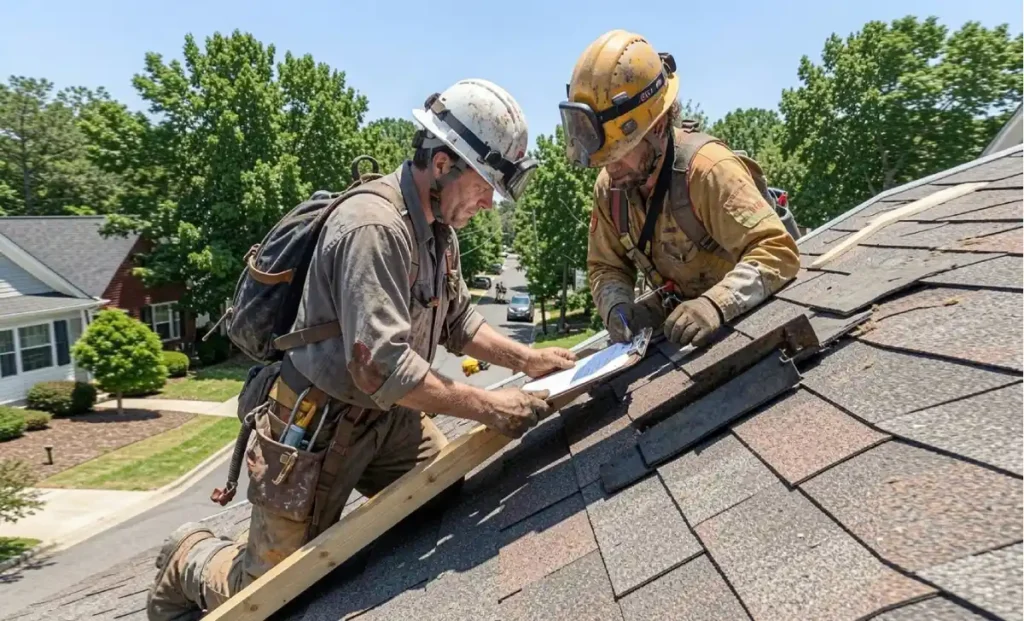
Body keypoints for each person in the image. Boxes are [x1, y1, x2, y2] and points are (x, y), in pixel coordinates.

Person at [147, 79, 575, 620]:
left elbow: (460, 322)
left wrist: (527, 359)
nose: (489, 202)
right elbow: (383, 368)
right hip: (314, 427)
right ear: (442, 164)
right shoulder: (373, 227)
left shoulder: (439, 231)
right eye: (485, 183)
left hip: (388, 420)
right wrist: (492, 405)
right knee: (268, 593)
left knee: (436, 492)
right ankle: (188, 555)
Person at [559, 30, 800, 347]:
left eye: (618, 154)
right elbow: (606, 265)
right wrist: (617, 309)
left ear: (657, 124)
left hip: (750, 319)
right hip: (681, 326)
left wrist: (714, 305)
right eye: (604, 158)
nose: (610, 169)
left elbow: (776, 251)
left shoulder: (709, 171)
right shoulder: (611, 189)